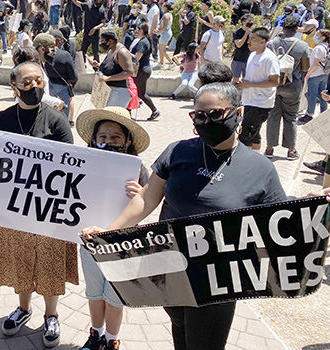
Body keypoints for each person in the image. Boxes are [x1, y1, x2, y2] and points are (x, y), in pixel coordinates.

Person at [81, 82, 287, 350]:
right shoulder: (178, 152)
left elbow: (282, 219)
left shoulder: (260, 169)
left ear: (238, 112)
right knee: (180, 331)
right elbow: (147, 197)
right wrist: (108, 234)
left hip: (217, 282)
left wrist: (316, 204)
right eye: (198, 116)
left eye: (215, 115)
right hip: (169, 270)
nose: (206, 121)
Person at [0, 61, 76, 348]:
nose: (34, 87)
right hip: (15, 207)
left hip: (48, 209)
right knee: (20, 259)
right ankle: (23, 309)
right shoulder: (2, 118)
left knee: (49, 262)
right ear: (14, 87)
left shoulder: (57, 120)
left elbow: (71, 162)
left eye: (39, 81)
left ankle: (51, 314)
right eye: (27, 82)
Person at [75, 106, 150, 350]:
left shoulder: (140, 171)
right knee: (94, 295)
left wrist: (140, 195)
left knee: (115, 298)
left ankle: (111, 338)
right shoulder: (82, 165)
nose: (108, 141)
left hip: (124, 245)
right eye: (103, 137)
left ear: (128, 140)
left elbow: (149, 205)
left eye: (115, 137)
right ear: (94, 140)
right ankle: (95, 334)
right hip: (90, 242)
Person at [266, 16, 311, 160]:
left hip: (274, 84)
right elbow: (305, 68)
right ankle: (291, 150)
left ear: (283, 27)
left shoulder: (271, 44)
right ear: (297, 28)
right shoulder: (302, 46)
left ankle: (269, 148)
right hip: (292, 85)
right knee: (291, 118)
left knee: (273, 116)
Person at [235, 27, 279, 151]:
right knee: (254, 135)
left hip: (261, 104)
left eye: (253, 39)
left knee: (245, 135)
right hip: (249, 101)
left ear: (263, 41)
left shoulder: (270, 58)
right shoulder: (252, 55)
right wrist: (243, 83)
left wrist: (250, 84)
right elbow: (251, 78)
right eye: (249, 38)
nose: (249, 42)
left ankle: (246, 164)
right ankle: (256, 156)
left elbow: (275, 82)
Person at [90, 30, 134, 108]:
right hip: (110, 90)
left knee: (113, 116)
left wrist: (108, 78)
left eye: (103, 41)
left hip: (119, 91)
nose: (101, 44)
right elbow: (112, 67)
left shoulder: (122, 52)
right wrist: (98, 65)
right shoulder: (111, 51)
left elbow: (129, 72)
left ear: (110, 41)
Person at [43, 30, 77, 123]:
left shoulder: (43, 54)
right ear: (59, 41)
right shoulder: (65, 55)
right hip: (62, 87)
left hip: (48, 86)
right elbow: (73, 76)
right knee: (63, 115)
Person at [131, 23, 161, 120]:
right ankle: (155, 111)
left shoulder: (142, 43)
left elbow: (136, 58)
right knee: (141, 93)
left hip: (141, 71)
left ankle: (128, 112)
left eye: (138, 29)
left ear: (142, 30)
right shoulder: (145, 41)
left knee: (130, 91)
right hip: (145, 70)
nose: (136, 31)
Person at [300, 29, 330, 126]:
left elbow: (315, 63)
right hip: (325, 74)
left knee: (311, 95)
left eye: (318, 35)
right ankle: (324, 115)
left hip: (315, 74)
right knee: (323, 95)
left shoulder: (318, 48)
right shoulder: (327, 47)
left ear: (323, 37)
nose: (316, 36)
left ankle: (309, 114)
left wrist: (308, 74)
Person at [72, 0, 107, 64]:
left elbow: (103, 23)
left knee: (95, 53)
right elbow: (77, 3)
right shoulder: (87, 6)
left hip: (95, 35)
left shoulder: (102, 10)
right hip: (86, 34)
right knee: (82, 51)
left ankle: (97, 69)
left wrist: (95, 29)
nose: (100, 2)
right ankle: (82, 66)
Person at [231, 14, 253, 80]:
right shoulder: (237, 33)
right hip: (238, 59)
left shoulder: (252, 33)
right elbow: (239, 45)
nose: (250, 23)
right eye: (248, 21)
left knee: (247, 79)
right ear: (243, 22)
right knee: (235, 79)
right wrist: (246, 34)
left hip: (248, 59)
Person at [154, 2, 173, 68]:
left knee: (162, 49)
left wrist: (158, 31)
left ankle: (171, 62)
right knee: (160, 48)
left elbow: (165, 26)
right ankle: (161, 62)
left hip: (165, 33)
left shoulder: (166, 16)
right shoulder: (167, 14)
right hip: (164, 33)